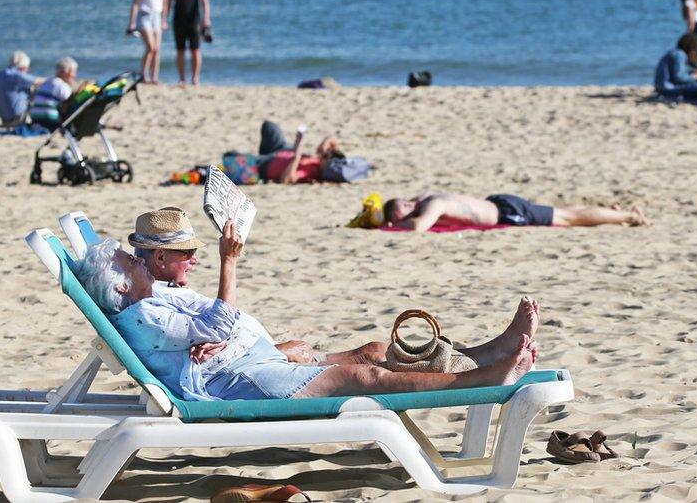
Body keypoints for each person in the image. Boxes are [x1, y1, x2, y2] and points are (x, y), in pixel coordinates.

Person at [75, 223, 538, 401]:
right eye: (128, 262)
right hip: (236, 381)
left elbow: (212, 329)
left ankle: (483, 354)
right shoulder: (143, 316)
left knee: (373, 351)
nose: (136, 261)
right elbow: (217, 321)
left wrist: (239, 342)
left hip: (250, 359)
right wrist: (229, 261)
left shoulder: (157, 298)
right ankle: (479, 380)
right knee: (361, 379)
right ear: (119, 284)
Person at [129, 206, 388, 365]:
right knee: (373, 356)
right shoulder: (150, 301)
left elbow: (202, 336)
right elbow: (214, 334)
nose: (194, 260)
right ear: (160, 256)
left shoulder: (162, 290)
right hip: (261, 362)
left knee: (375, 350)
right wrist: (228, 260)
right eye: (186, 253)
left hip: (266, 353)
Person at [383, 192, 649, 232]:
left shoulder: (432, 204)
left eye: (403, 209)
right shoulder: (428, 195)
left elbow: (418, 227)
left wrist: (395, 226)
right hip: (500, 203)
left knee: (569, 218)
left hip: (506, 212)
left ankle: (628, 216)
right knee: (564, 212)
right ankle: (614, 213)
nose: (407, 213)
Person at [252, 120, 344, 184]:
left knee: (240, 159)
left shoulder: (310, 173)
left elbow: (286, 179)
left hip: (270, 163)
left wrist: (297, 156)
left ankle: (262, 158)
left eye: (326, 156)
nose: (324, 155)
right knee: (269, 126)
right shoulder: (320, 159)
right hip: (284, 150)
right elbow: (331, 139)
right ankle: (264, 154)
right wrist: (324, 146)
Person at [169, 0, 211, 86]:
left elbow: (205, 1)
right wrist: (164, 18)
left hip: (194, 22)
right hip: (178, 21)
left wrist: (206, 18)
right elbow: (168, 1)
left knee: (195, 50)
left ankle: (195, 78)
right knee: (180, 50)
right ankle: (182, 78)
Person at [128, 0, 171, 84]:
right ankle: (144, 75)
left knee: (157, 49)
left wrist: (164, 19)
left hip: (157, 16)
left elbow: (165, 2)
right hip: (144, 16)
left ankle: (155, 77)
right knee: (151, 47)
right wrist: (132, 23)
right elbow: (135, 4)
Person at [0, 51, 44, 126]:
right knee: (39, 92)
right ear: (22, 67)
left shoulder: (0, 74)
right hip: (17, 118)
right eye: (27, 68)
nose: (27, 71)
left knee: (27, 90)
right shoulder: (16, 75)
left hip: (4, 119)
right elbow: (38, 81)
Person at [654, 33, 697, 100]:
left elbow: (677, 73)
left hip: (662, 87)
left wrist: (696, 71)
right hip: (667, 88)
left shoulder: (676, 52)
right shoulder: (680, 55)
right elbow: (679, 78)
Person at [28, 57, 78, 131]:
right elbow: (73, 103)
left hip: (35, 120)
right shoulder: (61, 85)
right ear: (64, 73)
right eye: (73, 72)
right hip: (50, 121)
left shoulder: (47, 82)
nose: (75, 75)